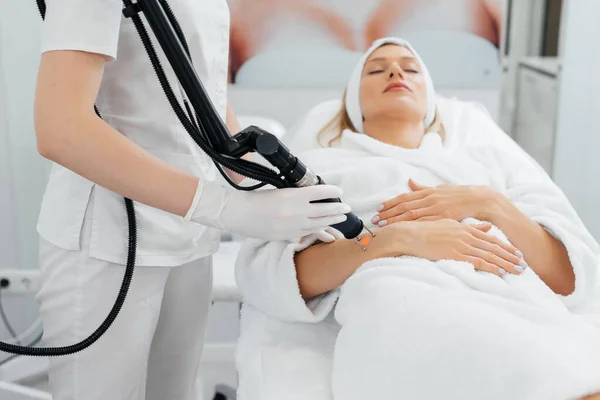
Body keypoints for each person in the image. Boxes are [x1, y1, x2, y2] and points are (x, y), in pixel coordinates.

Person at [235, 38, 600, 399]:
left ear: (430, 99)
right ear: (352, 103)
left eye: (410, 68)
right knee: (539, 375)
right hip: (403, 291)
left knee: (571, 368)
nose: (395, 71)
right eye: (376, 69)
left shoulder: (482, 166)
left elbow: (570, 277)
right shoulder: (323, 167)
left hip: (514, 291)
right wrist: (396, 241)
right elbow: (268, 275)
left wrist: (489, 203)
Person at [32, 1, 349, 399]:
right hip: (111, 239)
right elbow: (61, 128)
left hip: (191, 233)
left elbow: (203, 91)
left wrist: (259, 180)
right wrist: (226, 207)